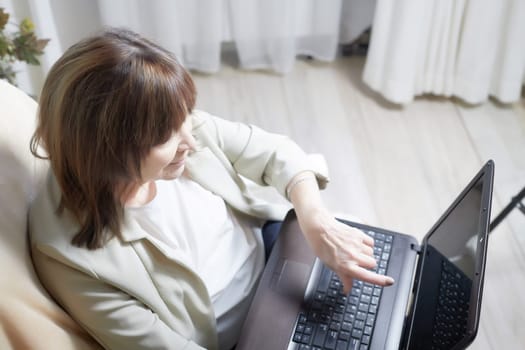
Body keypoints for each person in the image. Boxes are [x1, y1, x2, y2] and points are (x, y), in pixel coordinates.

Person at [29, 28, 394, 350]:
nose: (190, 138)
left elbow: (276, 154)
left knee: (392, 298)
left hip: (272, 253)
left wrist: (316, 222)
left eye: (186, 116)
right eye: (166, 136)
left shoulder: (168, 121)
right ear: (107, 150)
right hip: (244, 336)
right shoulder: (70, 257)